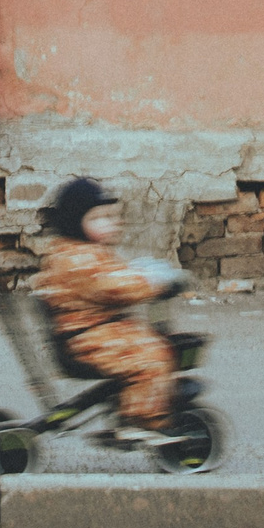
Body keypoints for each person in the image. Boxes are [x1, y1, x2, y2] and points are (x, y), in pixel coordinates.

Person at [33, 176, 190, 443]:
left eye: (111, 216)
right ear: (76, 223)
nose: (111, 223)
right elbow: (114, 286)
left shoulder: (86, 251)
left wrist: (147, 272)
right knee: (151, 356)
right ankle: (139, 420)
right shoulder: (76, 258)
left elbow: (117, 274)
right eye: (98, 218)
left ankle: (132, 405)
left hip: (95, 330)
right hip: (84, 340)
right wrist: (153, 283)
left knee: (150, 342)